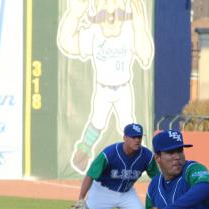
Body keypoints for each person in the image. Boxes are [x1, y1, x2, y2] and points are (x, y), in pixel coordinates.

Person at [57, 0, 154, 175]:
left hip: (123, 88)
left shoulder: (129, 32)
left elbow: (145, 55)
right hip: (103, 89)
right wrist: (75, 15)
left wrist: (140, 28)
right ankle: (85, 150)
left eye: (117, 9)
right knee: (97, 121)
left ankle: (142, 159)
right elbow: (67, 43)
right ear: (95, 11)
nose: (110, 13)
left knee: (128, 124)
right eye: (104, 9)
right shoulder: (94, 33)